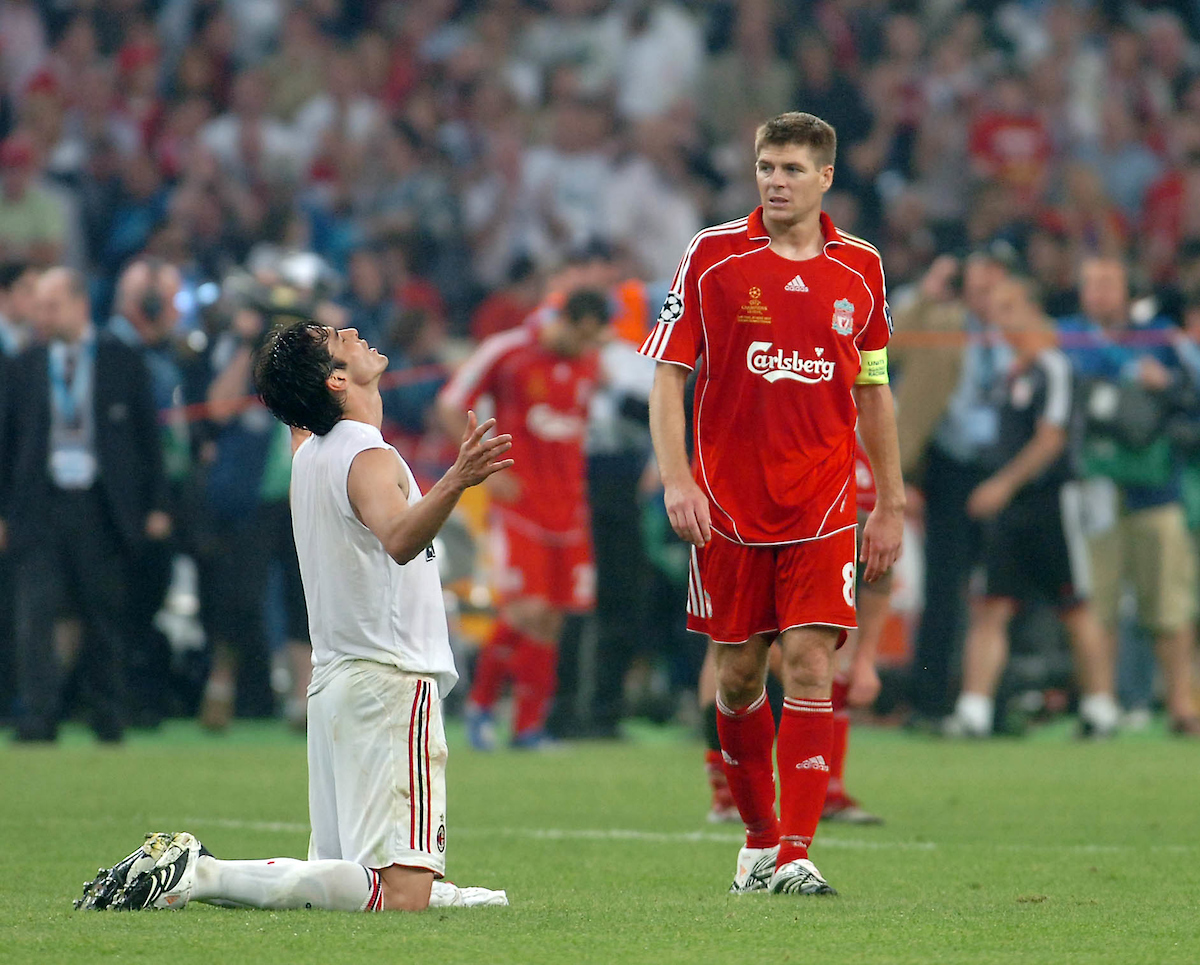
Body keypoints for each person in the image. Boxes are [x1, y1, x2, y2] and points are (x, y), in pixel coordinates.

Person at [77, 318, 512, 913]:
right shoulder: (367, 454)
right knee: (399, 890)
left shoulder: (310, 451)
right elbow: (401, 538)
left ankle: (438, 895)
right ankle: (198, 875)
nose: (357, 331)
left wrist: (289, 358)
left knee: (350, 877)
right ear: (336, 379)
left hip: (337, 684)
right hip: (387, 678)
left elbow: (295, 411)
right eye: (339, 339)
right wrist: (459, 477)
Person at [641, 112, 904, 896]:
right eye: (765, 166)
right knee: (737, 675)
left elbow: (875, 391)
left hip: (823, 504)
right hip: (726, 505)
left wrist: (888, 502)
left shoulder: (860, 268)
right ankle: (757, 840)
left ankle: (797, 850)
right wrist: (677, 477)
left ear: (826, 177)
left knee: (811, 661)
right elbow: (667, 377)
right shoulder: (713, 256)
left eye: (791, 168)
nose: (776, 180)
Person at [943, 277, 1119, 738]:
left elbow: (1052, 438)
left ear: (1030, 310)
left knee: (1076, 606)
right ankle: (973, 711)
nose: (999, 320)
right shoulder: (1012, 374)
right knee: (991, 607)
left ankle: (1101, 709)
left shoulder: (1053, 367)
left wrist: (1001, 484)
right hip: (1011, 512)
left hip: (1050, 504)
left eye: (1007, 308)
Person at [0, 267, 169, 743]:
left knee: (105, 612)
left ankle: (108, 713)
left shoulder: (122, 361)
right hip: (39, 503)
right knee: (35, 613)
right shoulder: (25, 364)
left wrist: (156, 503)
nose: (43, 316)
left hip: (102, 505)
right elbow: (8, 442)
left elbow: (146, 440)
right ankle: (38, 715)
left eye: (52, 306)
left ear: (79, 305)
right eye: (40, 307)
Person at [437, 288, 609, 749]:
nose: (586, 348)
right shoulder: (508, 351)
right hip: (519, 502)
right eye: (582, 336)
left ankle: (528, 727)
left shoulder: (589, 364)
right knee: (525, 610)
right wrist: (481, 467)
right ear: (565, 322)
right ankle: (480, 704)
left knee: (553, 618)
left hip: (569, 508)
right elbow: (451, 404)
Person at [1057, 257, 1199, 735]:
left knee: (1168, 603)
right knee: (1098, 601)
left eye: (1107, 282)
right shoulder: (1067, 336)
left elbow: (1191, 397)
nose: (1097, 291)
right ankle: (1103, 705)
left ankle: (1181, 704)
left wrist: (1169, 385)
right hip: (1093, 485)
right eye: (1090, 282)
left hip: (1154, 486)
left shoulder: (1162, 336)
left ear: (1127, 287)